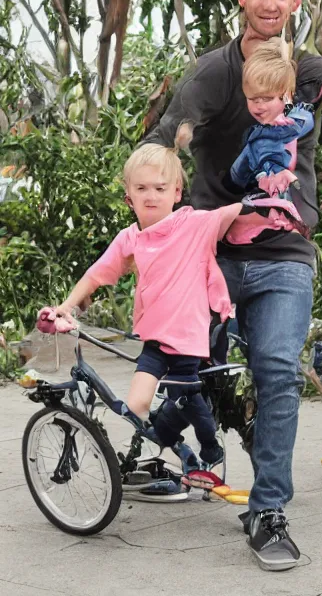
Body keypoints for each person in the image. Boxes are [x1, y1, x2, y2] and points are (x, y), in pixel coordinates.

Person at [145, 0, 322, 571]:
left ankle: (268, 508)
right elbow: (166, 137)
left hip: (283, 248)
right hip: (211, 248)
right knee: (186, 364)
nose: (270, 3)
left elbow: (299, 100)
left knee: (278, 367)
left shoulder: (307, 71)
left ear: (296, 0)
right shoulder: (211, 73)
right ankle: (186, 451)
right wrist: (159, 208)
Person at [38, 125, 242, 496]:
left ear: (177, 192)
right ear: (129, 195)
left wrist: (269, 199)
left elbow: (233, 212)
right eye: (142, 188)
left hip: (187, 338)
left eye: (161, 189)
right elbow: (96, 274)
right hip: (154, 339)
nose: (151, 196)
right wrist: (65, 306)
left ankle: (209, 446)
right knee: (136, 405)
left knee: (186, 396)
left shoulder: (192, 224)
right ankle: (171, 443)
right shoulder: (130, 238)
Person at [222, 37, 314, 245]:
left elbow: (304, 121)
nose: (259, 106)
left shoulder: (296, 117)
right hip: (258, 192)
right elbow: (238, 174)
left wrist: (286, 121)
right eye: (253, 99)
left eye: (267, 99)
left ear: (287, 96)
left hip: (283, 192)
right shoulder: (257, 137)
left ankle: (281, 220)